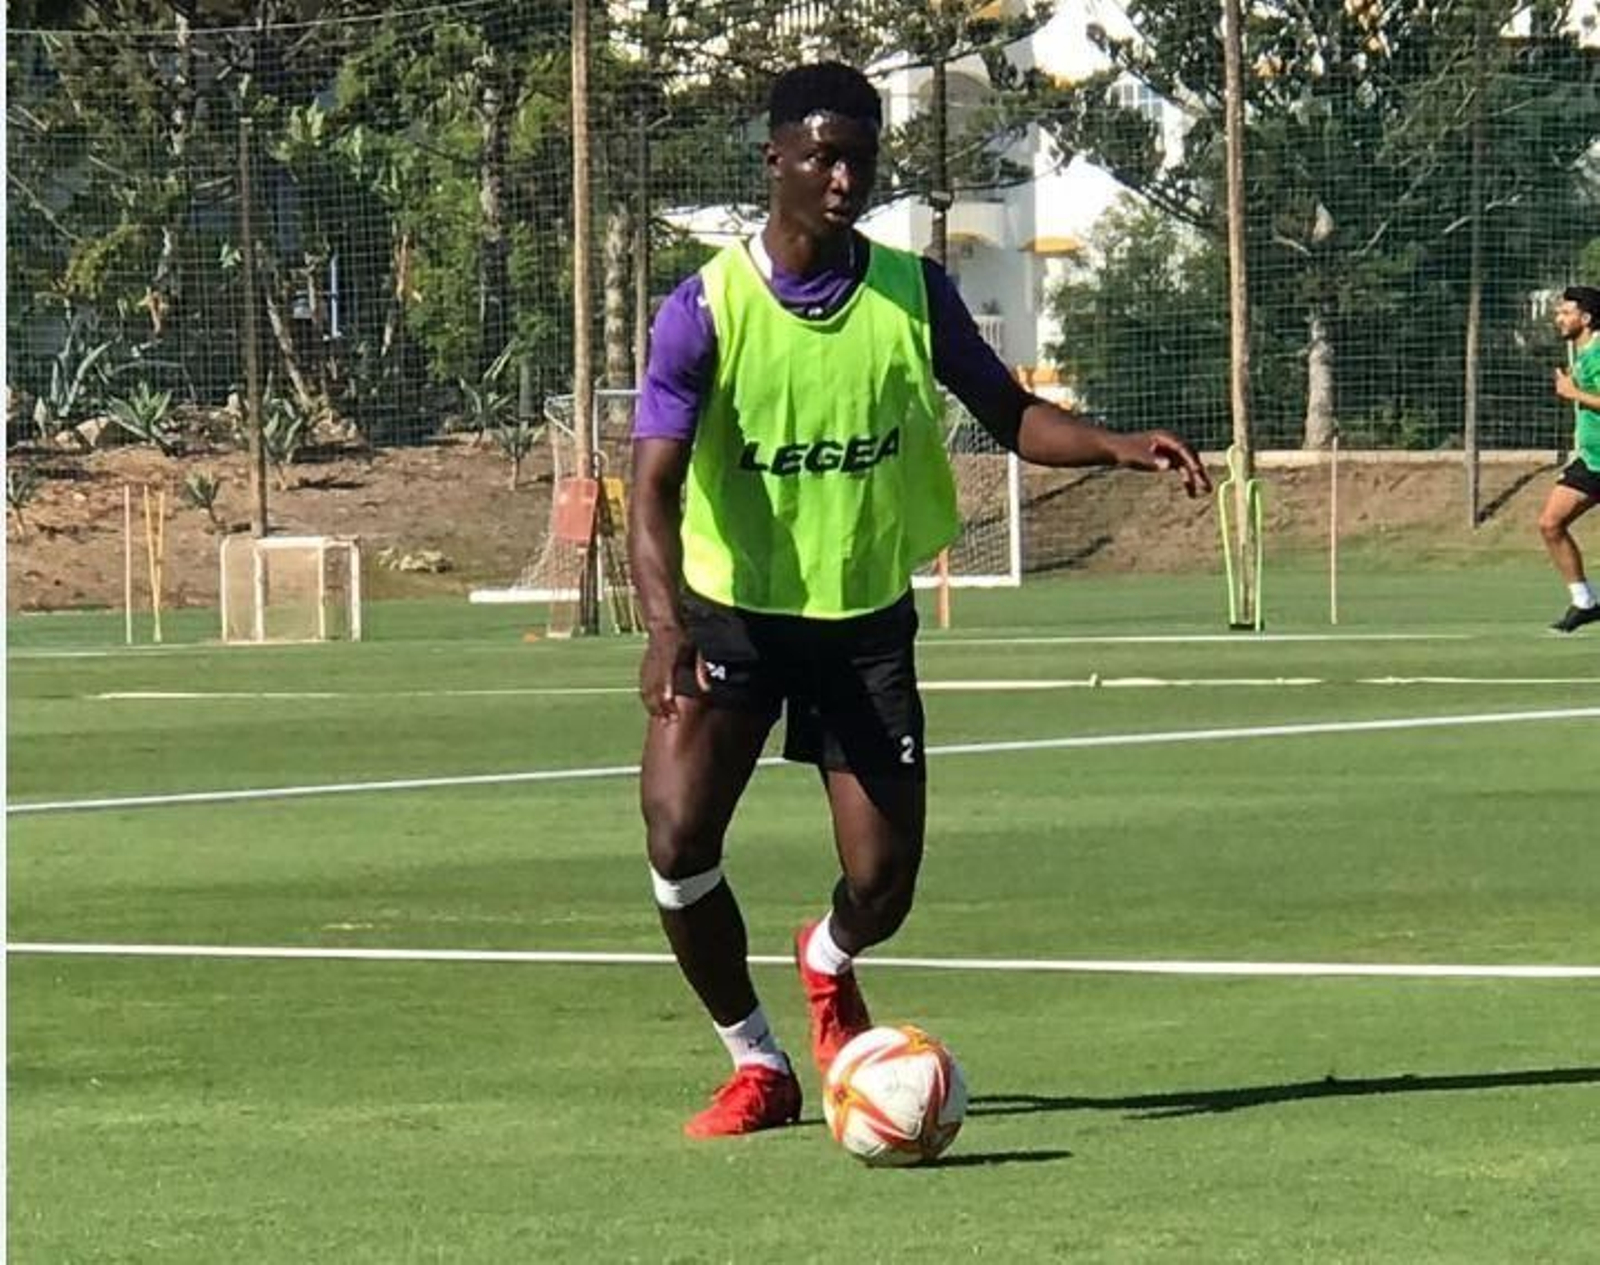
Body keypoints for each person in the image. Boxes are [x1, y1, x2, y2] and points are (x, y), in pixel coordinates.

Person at [628, 61, 1211, 1139]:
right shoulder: (702, 309)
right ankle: (759, 1062)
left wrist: (1115, 443)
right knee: (675, 839)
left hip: (862, 623)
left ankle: (828, 954)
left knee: (885, 881)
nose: (843, 178)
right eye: (820, 157)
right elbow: (652, 486)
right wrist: (665, 626)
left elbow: (1010, 416)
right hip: (735, 615)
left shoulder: (912, 290)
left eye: (859, 157)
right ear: (774, 162)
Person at [1542, 284, 1600, 633]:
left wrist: (1572, 392)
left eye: (1566, 312)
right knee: (1550, 524)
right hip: (1592, 461)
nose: (1558, 318)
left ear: (1587, 317)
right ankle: (1585, 602)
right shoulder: (1580, 353)